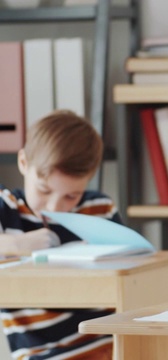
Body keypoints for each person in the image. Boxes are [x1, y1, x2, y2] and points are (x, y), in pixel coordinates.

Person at [0, 110, 120, 359]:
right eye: (43, 190)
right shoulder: (7, 208)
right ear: (23, 163)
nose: (55, 207)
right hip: (42, 353)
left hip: (109, 343)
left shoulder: (98, 209)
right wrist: (16, 243)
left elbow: (130, 268)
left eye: (71, 196)